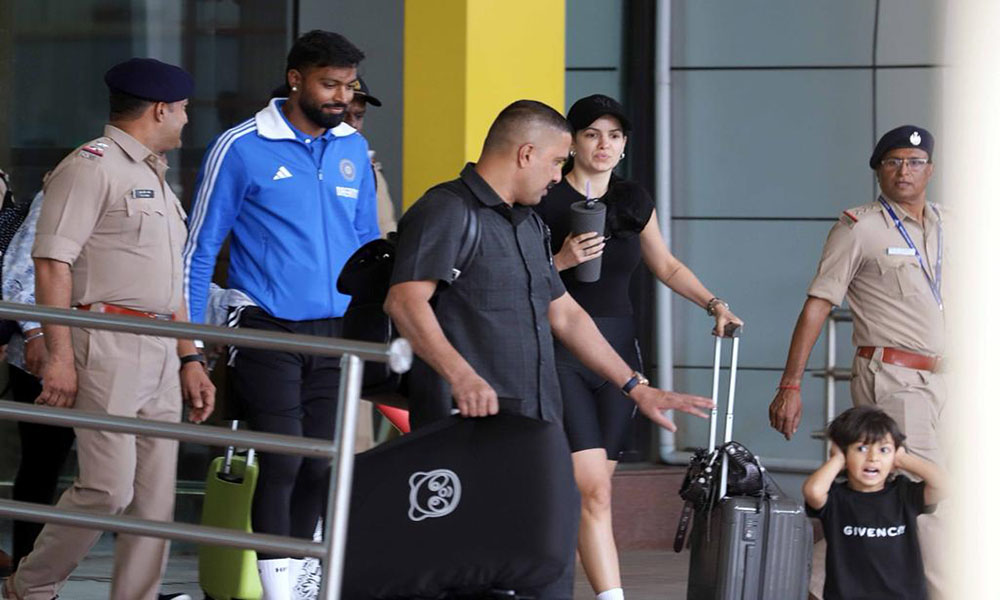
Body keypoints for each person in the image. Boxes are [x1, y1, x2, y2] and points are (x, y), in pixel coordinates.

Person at [384, 99, 714, 599]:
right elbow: (405, 300)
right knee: (467, 566)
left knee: (538, 564)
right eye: (557, 161)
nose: (560, 177)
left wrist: (634, 386)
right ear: (525, 153)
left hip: (533, 424)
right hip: (466, 429)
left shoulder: (528, 223)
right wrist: (462, 374)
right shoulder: (446, 210)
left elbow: (566, 314)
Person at [3, 57, 215, 600]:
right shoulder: (91, 166)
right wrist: (60, 356)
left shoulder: (154, 175)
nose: (187, 121)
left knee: (154, 499)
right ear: (162, 109)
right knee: (107, 488)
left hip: (161, 350)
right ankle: (30, 586)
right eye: (185, 110)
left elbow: (172, 284)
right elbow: (51, 264)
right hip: (108, 344)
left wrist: (190, 357)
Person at [182, 30, 379, 598]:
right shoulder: (240, 146)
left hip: (336, 331)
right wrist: (190, 349)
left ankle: (298, 578)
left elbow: (366, 242)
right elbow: (198, 253)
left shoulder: (350, 149)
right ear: (296, 79)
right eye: (329, 84)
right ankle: (278, 591)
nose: (342, 97)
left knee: (321, 465)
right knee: (287, 461)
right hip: (264, 323)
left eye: (349, 86)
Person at [533, 94, 743, 600]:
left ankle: (559, 576)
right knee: (593, 489)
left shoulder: (632, 200)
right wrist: (560, 260)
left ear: (624, 145)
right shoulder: (543, 197)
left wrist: (714, 303)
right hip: (562, 349)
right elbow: (517, 276)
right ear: (572, 140)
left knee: (595, 492)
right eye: (592, 134)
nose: (604, 145)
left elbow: (666, 265)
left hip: (620, 357)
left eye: (615, 136)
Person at [767, 125, 947, 598]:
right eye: (892, 162)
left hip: (949, 381)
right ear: (878, 171)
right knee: (923, 495)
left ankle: (818, 584)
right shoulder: (860, 227)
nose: (903, 170)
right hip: (893, 377)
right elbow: (818, 305)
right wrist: (790, 385)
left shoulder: (952, 224)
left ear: (930, 169)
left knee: (883, 496)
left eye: (913, 161)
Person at [1, 189, 76, 576]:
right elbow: (19, 269)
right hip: (41, 351)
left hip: (109, 352)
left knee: (112, 475)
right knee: (42, 463)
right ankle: (27, 570)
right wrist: (33, 332)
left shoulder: (158, 191)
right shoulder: (66, 190)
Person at [803, 406, 944, 600]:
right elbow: (813, 491)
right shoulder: (836, 499)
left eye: (884, 450)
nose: (873, 458)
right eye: (861, 448)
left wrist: (903, 459)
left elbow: (943, 486)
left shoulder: (904, 494)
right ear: (844, 454)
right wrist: (837, 459)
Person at [343, 76, 397, 236]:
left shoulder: (367, 165)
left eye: (358, 116)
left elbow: (384, 227)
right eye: (343, 115)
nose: (352, 123)